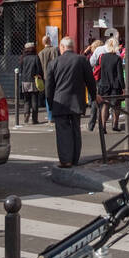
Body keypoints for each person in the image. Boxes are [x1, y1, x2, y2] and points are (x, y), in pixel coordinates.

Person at [44, 37, 97, 168]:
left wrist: (51, 104)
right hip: (76, 101)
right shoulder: (82, 60)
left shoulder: (54, 63)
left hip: (59, 102)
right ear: (72, 47)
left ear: (62, 47)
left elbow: (49, 87)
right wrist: (94, 97)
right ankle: (74, 159)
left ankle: (65, 160)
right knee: (75, 130)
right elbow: (90, 80)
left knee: (63, 132)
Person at [95, 37, 125, 132]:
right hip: (115, 85)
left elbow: (97, 68)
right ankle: (115, 124)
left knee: (105, 105)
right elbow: (120, 75)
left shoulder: (102, 57)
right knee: (116, 105)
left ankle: (103, 126)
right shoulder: (117, 58)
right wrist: (123, 87)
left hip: (104, 84)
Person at [17, 42, 45, 124]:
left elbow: (21, 69)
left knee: (26, 100)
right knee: (34, 100)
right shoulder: (36, 57)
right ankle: (34, 119)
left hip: (25, 81)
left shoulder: (23, 58)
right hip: (34, 81)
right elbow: (39, 69)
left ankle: (26, 115)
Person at [38, 35, 59, 123]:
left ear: (43, 43)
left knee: (48, 96)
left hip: (44, 77)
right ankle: (55, 115)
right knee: (55, 96)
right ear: (50, 41)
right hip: (54, 76)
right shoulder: (54, 50)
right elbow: (57, 62)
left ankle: (50, 116)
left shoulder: (40, 53)